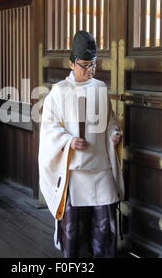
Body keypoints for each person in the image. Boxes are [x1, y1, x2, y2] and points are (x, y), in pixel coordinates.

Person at [38, 31, 124, 258]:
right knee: (75, 229)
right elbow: (49, 129)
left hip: (101, 167)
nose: (90, 70)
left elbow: (110, 122)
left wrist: (113, 135)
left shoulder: (100, 88)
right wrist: (68, 140)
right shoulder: (58, 92)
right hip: (74, 171)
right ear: (71, 63)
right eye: (85, 65)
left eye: (94, 65)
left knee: (105, 226)